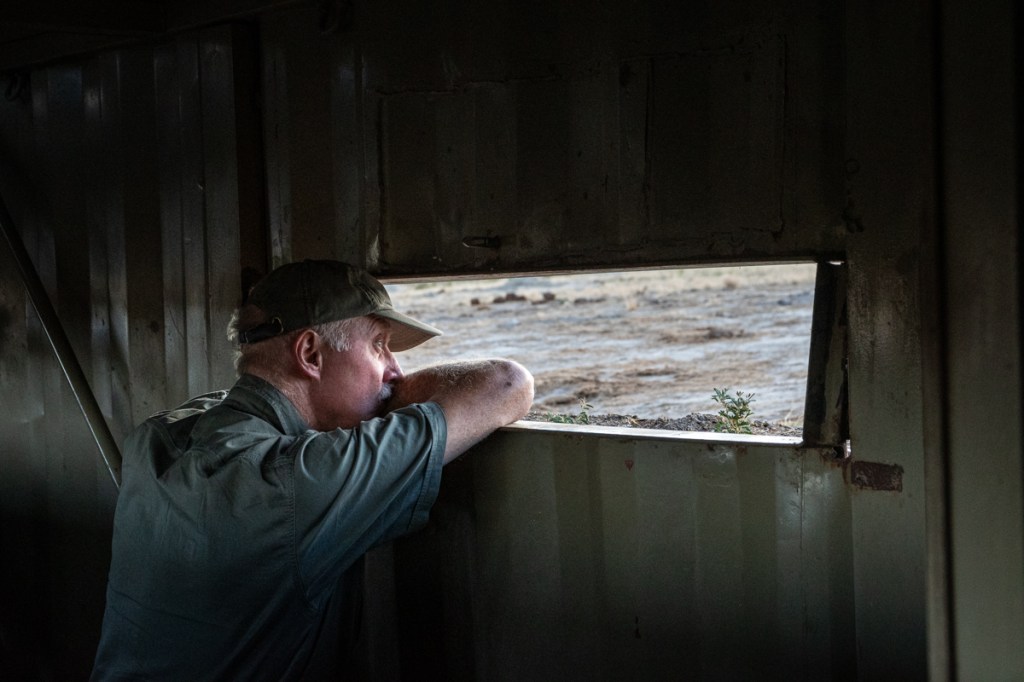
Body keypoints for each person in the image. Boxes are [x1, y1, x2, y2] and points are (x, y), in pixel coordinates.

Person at [90, 259, 534, 681]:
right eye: (379, 346)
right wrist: (392, 400)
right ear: (310, 354)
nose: (395, 370)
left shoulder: (162, 433)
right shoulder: (291, 482)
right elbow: (506, 383)